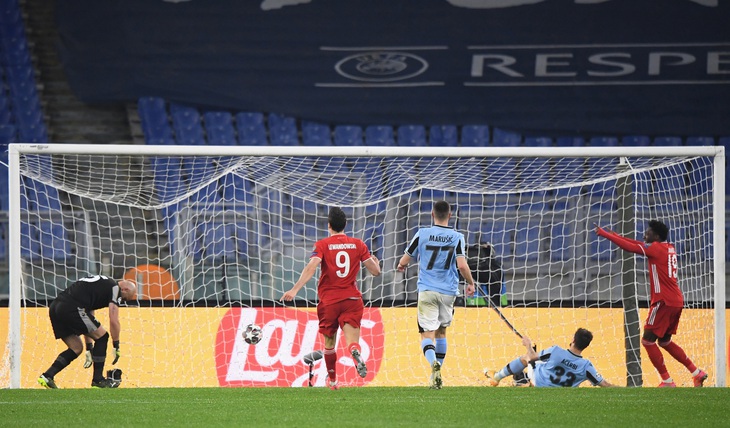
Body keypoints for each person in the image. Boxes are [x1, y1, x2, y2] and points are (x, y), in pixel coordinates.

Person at [595, 220, 708, 387]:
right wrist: (616, 235)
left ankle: (667, 381)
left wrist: (605, 235)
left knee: (647, 341)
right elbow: (638, 244)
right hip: (676, 300)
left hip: (663, 301)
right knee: (664, 341)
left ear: (656, 236)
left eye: (648, 232)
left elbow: (631, 248)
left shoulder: (655, 249)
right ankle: (696, 372)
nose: (644, 234)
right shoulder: (669, 247)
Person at [281, 207, 381, 390]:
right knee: (352, 341)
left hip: (330, 301)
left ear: (329, 226)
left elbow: (311, 268)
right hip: (352, 299)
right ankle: (355, 353)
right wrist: (377, 263)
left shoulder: (323, 245)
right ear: (345, 225)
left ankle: (333, 382)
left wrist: (295, 289)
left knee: (329, 344)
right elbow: (375, 272)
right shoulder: (358, 244)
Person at [397, 200, 476, 389]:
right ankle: (437, 374)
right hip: (448, 292)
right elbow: (462, 265)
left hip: (427, 291)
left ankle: (433, 366)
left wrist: (401, 265)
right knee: (441, 333)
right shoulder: (457, 237)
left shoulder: (422, 234)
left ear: (432, 214)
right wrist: (471, 283)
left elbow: (405, 258)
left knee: (427, 335)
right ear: (450, 215)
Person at [38, 275, 137, 389]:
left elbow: (88, 318)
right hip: (72, 307)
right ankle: (98, 380)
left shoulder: (101, 285)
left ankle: (47, 376)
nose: (121, 301)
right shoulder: (115, 288)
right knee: (103, 337)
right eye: (123, 299)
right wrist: (116, 344)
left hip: (56, 307)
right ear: (125, 290)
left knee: (76, 348)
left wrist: (89, 346)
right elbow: (113, 318)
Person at [485, 328, 615, 387]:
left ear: (573, 339)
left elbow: (531, 357)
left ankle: (496, 378)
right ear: (586, 346)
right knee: (541, 363)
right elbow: (604, 384)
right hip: (559, 392)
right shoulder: (586, 366)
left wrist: (528, 345)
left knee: (525, 358)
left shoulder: (556, 351)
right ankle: (521, 380)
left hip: (539, 383)